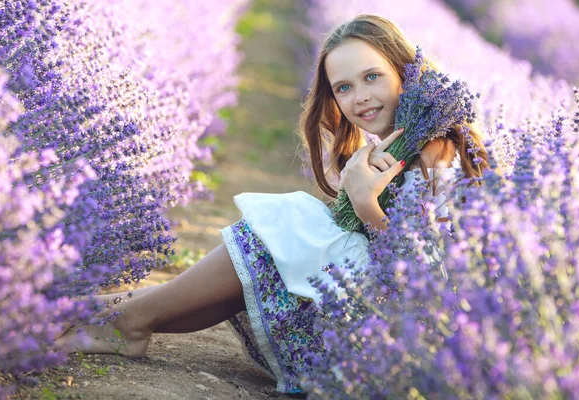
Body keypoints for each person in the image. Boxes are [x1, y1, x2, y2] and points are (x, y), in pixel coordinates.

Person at [55, 14, 489, 394]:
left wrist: (365, 206)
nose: (359, 97)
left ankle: (117, 316)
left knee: (291, 227)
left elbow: (432, 276)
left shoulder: (439, 150)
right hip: (378, 311)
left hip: (404, 338)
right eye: (344, 87)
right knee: (278, 246)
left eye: (372, 77)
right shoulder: (401, 142)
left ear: (404, 72)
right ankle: (118, 315)